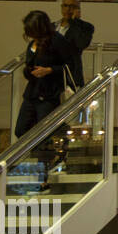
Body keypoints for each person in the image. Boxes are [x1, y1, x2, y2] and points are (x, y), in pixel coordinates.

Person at [16, 10, 73, 190]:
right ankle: (61, 134)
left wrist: (49, 70)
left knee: (42, 137)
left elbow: (69, 65)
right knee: (21, 130)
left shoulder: (56, 41)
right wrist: (31, 71)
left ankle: (43, 177)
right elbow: (27, 67)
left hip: (49, 94)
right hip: (33, 92)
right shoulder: (33, 44)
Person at [56, 0, 94, 90]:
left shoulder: (85, 27)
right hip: (53, 77)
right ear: (61, 7)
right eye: (65, 6)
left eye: (72, 6)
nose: (68, 9)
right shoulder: (53, 27)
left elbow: (81, 44)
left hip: (71, 76)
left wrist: (74, 22)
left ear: (78, 9)